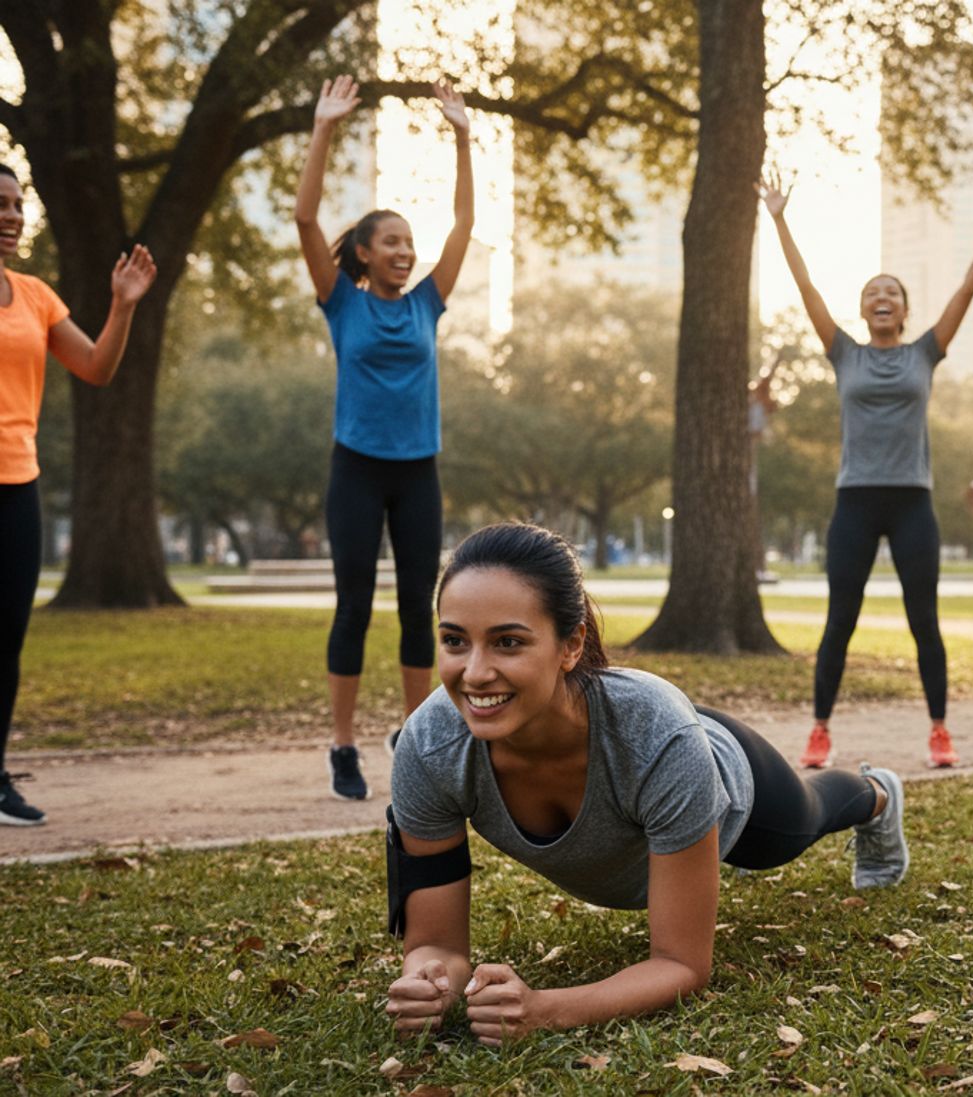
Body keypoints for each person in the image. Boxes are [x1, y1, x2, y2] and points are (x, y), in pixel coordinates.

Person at [383, 523, 908, 1042]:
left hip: (717, 769)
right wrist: (431, 982)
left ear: (571, 645)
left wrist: (545, 1009)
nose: (475, 673)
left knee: (805, 819)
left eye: (508, 642)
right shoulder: (429, 747)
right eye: (455, 640)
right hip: (653, 747)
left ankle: (877, 794)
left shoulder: (660, 741)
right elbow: (437, 945)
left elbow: (681, 965)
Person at [758, 168, 973, 770]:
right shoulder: (843, 352)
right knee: (840, 621)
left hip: (911, 503)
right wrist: (779, 218)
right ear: (863, 309)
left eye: (892, 293)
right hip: (854, 500)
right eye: (873, 292)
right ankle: (820, 731)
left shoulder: (925, 352)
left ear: (903, 311)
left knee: (924, 620)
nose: (882, 298)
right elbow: (806, 288)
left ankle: (939, 732)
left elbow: (966, 292)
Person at [294, 76, 474, 801]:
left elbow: (463, 223)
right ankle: (342, 746)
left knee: (417, 610)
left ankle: (414, 736)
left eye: (409, 243)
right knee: (354, 607)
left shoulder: (428, 302)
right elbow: (305, 218)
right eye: (392, 242)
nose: (406, 252)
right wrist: (324, 127)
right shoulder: (341, 303)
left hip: (417, 472)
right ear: (365, 254)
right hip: (357, 471)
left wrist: (463, 136)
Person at [0, 165, 156, 826]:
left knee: (6, 641)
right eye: (0, 205)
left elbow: (95, 367)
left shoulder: (35, 295)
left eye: (17, 204)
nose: (12, 216)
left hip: (18, 483)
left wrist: (123, 304)